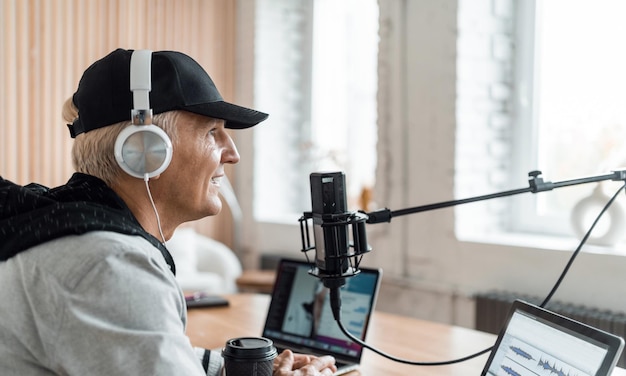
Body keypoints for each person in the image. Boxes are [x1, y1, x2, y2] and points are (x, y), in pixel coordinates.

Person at [0, 48, 337, 376]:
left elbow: (140, 348)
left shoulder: (66, 226)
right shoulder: (108, 264)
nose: (232, 153)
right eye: (211, 132)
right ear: (146, 151)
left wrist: (247, 369)